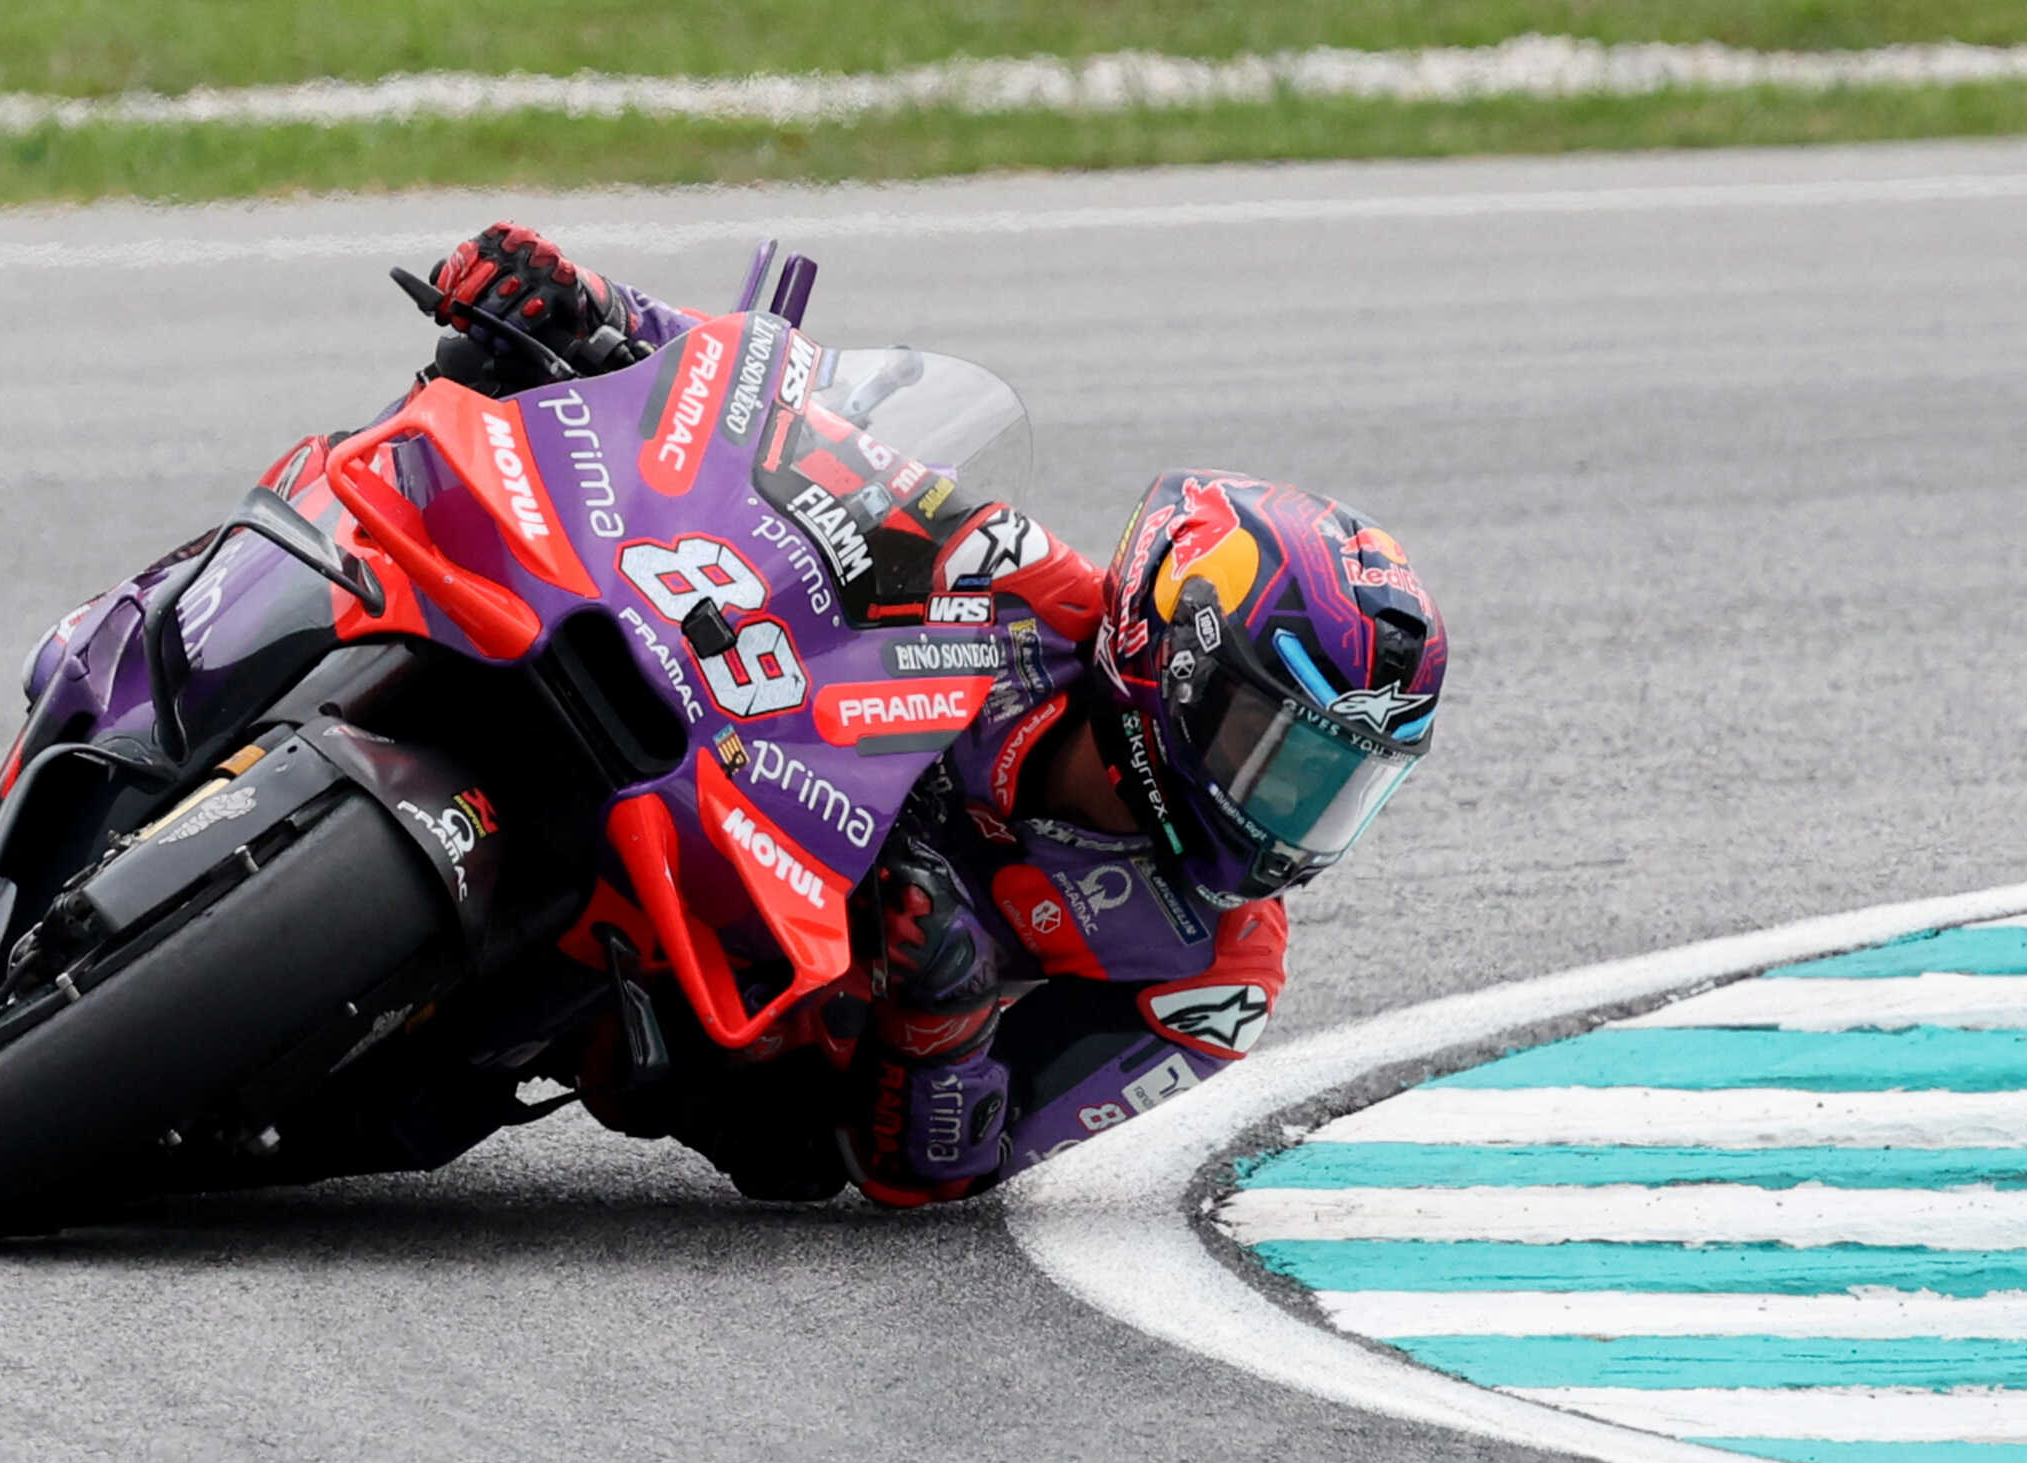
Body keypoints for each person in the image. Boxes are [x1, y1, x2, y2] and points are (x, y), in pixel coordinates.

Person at [432, 224, 1450, 1207]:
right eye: (1272, 754)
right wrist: (589, 309)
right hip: (698, 752)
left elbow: (946, 1171)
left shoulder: (1216, 975)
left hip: (742, 1025)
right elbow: (774, 428)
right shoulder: (1017, 580)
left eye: (1333, 785)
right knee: (468, 436)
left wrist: (943, 1022)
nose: (1285, 812)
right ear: (1171, 664)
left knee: (780, 1150)